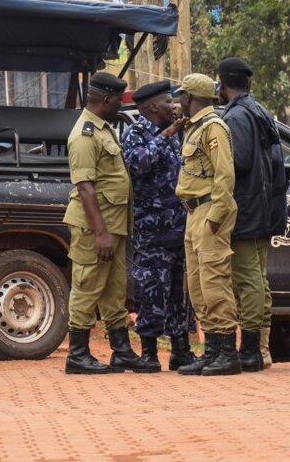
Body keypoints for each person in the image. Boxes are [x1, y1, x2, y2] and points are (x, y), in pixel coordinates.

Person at [63, 72, 156, 375]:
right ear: (105, 99)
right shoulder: (84, 135)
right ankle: (77, 354)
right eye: (118, 100)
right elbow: (85, 186)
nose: (120, 104)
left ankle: (122, 351)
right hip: (95, 227)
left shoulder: (104, 129)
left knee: (114, 290)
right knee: (88, 286)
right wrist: (101, 233)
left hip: (113, 224)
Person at [217, 57, 288, 372]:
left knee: (247, 280)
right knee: (257, 278)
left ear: (221, 84)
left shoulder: (237, 116)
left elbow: (238, 162)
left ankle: (249, 351)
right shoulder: (260, 112)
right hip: (262, 205)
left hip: (245, 207)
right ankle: (260, 348)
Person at [121, 80, 195, 371]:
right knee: (152, 291)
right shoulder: (136, 133)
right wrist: (165, 136)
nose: (174, 107)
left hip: (179, 226)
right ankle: (149, 352)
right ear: (152, 106)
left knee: (179, 294)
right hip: (153, 230)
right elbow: (136, 164)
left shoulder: (177, 133)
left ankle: (181, 350)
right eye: (168, 102)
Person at [174, 73, 241, 376]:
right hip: (193, 212)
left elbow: (225, 176)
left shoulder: (214, 127)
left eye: (182, 96)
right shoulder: (194, 127)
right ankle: (212, 350)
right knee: (198, 287)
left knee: (214, 282)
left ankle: (227, 352)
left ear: (191, 97)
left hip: (210, 210)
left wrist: (216, 216)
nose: (179, 101)